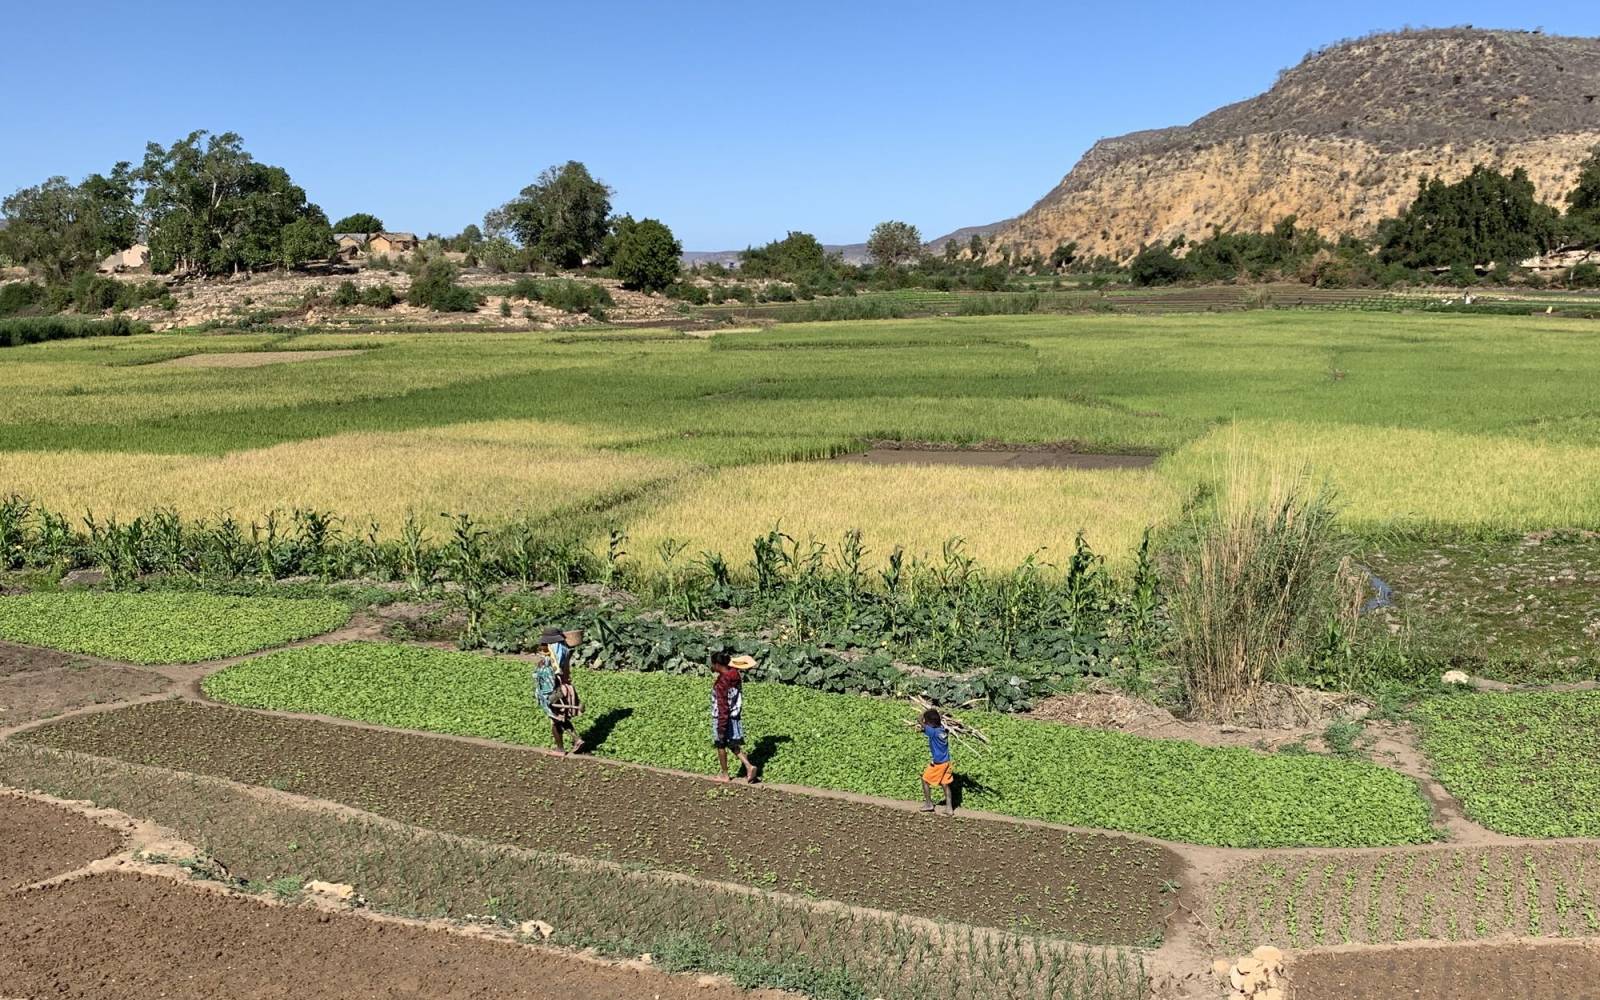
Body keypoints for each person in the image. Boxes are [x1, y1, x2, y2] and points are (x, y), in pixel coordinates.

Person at [710, 652, 758, 783]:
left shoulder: (722, 682)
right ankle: (749, 766)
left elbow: (722, 707)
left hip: (723, 717)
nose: (712, 666)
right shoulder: (734, 674)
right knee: (732, 744)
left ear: (718, 665)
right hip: (734, 716)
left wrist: (721, 727)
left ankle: (725, 774)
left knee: (720, 744)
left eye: (713, 664)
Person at [534, 628, 584, 755]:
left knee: (555, 720)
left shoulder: (549, 658)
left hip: (555, 691)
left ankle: (560, 749)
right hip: (565, 687)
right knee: (561, 718)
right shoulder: (564, 650)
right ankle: (577, 740)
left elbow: (548, 678)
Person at [920, 707, 954, 816]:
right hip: (947, 762)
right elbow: (934, 721)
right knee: (945, 784)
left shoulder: (932, 732)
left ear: (930, 723)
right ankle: (949, 808)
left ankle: (929, 804)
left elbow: (919, 719)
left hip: (938, 763)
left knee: (925, 780)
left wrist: (925, 711)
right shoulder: (943, 729)